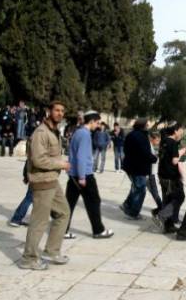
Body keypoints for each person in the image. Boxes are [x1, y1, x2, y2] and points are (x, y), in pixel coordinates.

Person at [18, 101, 71, 271]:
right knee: (39, 221)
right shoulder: (41, 132)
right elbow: (38, 160)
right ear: (49, 111)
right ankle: (29, 258)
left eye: (62, 111)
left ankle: (51, 251)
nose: (60, 113)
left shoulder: (53, 131)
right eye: (56, 110)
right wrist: (60, 164)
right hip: (42, 181)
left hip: (52, 180)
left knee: (63, 212)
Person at [64, 111, 113, 240]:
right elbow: (81, 157)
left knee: (69, 203)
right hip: (83, 174)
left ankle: (62, 230)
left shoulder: (77, 132)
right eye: (97, 123)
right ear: (91, 121)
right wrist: (82, 177)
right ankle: (98, 230)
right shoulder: (85, 135)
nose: (97, 126)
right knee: (94, 201)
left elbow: (72, 153)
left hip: (74, 174)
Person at [152, 122, 186, 234]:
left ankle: (169, 226)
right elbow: (174, 160)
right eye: (181, 130)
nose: (181, 132)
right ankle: (161, 215)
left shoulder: (163, 141)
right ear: (175, 131)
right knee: (179, 197)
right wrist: (181, 152)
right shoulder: (172, 143)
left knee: (167, 200)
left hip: (162, 174)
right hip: (171, 177)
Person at [121, 118, 157, 220]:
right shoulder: (141, 136)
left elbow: (126, 149)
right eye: (148, 125)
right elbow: (144, 152)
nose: (149, 126)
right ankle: (133, 213)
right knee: (141, 190)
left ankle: (127, 205)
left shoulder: (131, 134)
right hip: (138, 167)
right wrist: (154, 158)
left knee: (136, 187)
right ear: (144, 125)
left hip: (131, 165)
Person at [147, 131, 163, 215]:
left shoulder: (150, 146)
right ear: (152, 139)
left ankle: (160, 208)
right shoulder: (148, 146)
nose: (158, 142)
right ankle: (161, 208)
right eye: (157, 140)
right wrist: (157, 157)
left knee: (153, 191)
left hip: (150, 172)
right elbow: (150, 158)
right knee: (155, 191)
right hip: (150, 173)